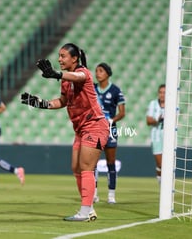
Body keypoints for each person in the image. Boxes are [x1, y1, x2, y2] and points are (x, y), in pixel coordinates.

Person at [21, 43, 109, 222]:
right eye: (59, 56)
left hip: (95, 126)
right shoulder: (66, 80)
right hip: (80, 130)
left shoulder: (84, 73)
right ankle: (89, 209)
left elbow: (77, 76)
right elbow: (62, 101)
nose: (59, 59)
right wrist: (40, 103)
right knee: (76, 168)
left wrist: (57, 74)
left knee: (86, 167)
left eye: (63, 56)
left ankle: (85, 212)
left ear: (74, 58)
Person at [93, 63, 125, 204]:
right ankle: (93, 193)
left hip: (110, 129)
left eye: (100, 71)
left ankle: (111, 194)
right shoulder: (92, 89)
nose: (97, 73)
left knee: (110, 162)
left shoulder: (116, 90)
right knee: (92, 163)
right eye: (96, 71)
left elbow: (122, 112)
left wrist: (111, 120)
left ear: (107, 73)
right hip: (94, 129)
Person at [146, 84, 165, 185]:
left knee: (168, 164)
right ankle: (161, 184)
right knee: (160, 164)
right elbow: (148, 120)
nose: (162, 95)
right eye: (160, 92)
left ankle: (165, 187)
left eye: (164, 93)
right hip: (156, 137)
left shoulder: (172, 105)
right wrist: (158, 120)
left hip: (168, 138)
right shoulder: (153, 104)